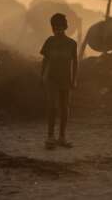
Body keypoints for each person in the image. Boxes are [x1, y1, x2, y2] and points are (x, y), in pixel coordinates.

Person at [40, 13, 78, 150]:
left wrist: (74, 79)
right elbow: (45, 60)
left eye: (60, 27)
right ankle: (50, 137)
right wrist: (42, 76)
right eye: (56, 27)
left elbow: (75, 62)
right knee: (52, 106)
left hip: (65, 79)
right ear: (52, 28)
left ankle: (62, 137)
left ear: (65, 27)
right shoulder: (50, 41)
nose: (58, 30)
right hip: (51, 78)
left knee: (64, 108)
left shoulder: (72, 44)